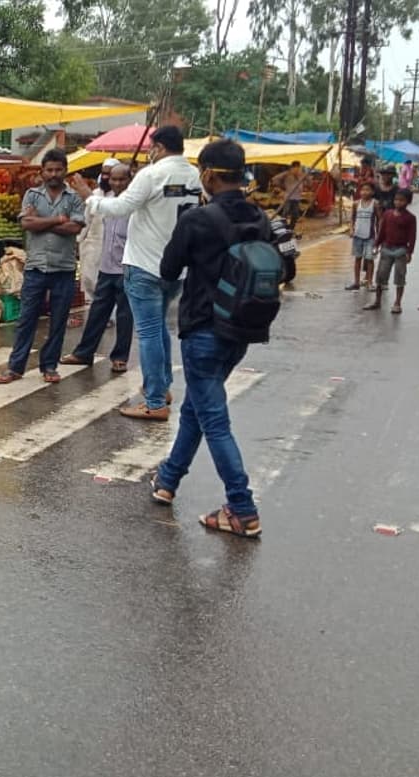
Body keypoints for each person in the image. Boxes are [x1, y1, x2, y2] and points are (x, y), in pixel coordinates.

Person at [150, 139, 267, 539]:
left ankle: (242, 508)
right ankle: (167, 480)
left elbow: (168, 269)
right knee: (197, 408)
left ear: (209, 174)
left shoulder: (198, 220)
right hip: (243, 328)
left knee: (213, 419)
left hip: (203, 328)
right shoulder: (259, 216)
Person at [69, 126, 202, 421]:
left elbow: (120, 207)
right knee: (160, 330)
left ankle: (155, 401)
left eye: (151, 148)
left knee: (150, 333)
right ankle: (162, 386)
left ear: (159, 147)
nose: (149, 153)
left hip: (144, 265)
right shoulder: (192, 175)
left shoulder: (152, 174)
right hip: (175, 267)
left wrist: (89, 197)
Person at [0, 149, 84, 384]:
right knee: (26, 319)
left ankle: (50, 366)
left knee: (58, 321)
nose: (54, 174)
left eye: (58, 169)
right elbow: (26, 223)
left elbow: (75, 228)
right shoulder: (32, 195)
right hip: (35, 267)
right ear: (42, 172)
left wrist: (40, 223)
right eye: (49, 170)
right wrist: (57, 220)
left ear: (65, 171)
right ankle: (15, 367)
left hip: (63, 268)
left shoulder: (73, 198)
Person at [61, 162, 134, 373]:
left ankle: (120, 357)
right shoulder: (107, 200)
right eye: (114, 178)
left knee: (124, 315)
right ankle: (84, 352)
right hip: (106, 266)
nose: (117, 183)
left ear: (130, 181)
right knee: (97, 312)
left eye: (122, 179)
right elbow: (90, 215)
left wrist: (86, 193)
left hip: (126, 268)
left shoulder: (133, 204)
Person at [78, 157, 122, 308]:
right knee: (88, 278)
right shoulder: (95, 193)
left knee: (106, 282)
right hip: (91, 243)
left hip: (112, 245)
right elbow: (86, 219)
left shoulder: (120, 197)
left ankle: (108, 313)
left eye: (109, 174)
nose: (105, 177)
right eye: (103, 173)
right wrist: (79, 240)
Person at [365, 188, 417, 314]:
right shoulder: (388, 214)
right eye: (396, 200)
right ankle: (377, 301)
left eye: (401, 200)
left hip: (401, 250)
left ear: (408, 202)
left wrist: (409, 252)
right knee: (381, 275)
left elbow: (412, 236)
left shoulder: (410, 218)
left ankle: (397, 302)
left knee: (400, 276)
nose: (398, 203)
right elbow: (382, 231)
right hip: (386, 248)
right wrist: (376, 245)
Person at [346, 181, 379, 291]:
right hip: (357, 235)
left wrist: (379, 235)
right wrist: (351, 229)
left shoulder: (375, 204)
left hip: (370, 236)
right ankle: (356, 282)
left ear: (372, 192)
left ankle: (369, 282)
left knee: (370, 260)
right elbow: (352, 218)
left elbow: (380, 219)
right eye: (363, 190)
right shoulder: (356, 204)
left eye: (367, 190)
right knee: (357, 258)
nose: (365, 192)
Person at [271, 161, 307, 229]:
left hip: (297, 197)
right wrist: (281, 188)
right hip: (288, 197)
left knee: (295, 214)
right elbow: (275, 179)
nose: (298, 169)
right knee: (285, 213)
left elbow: (308, 181)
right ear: (293, 168)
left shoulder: (301, 175)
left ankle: (291, 228)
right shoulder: (287, 174)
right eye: (296, 168)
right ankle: (282, 227)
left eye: (299, 168)